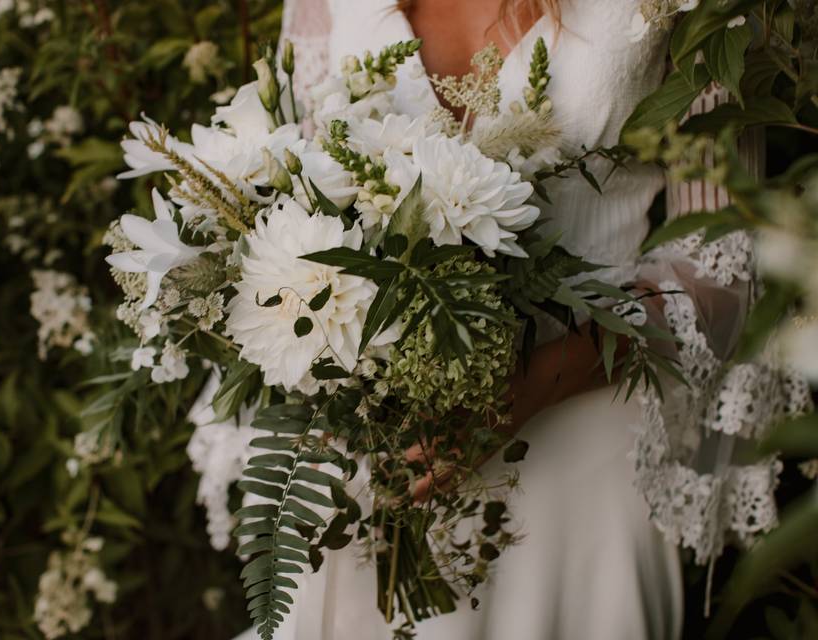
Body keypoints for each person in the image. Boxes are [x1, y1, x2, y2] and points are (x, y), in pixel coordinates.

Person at [235, 1, 807, 638]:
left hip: (592, 398)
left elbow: (725, 258)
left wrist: (533, 386)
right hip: (373, 441)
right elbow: (300, 180)